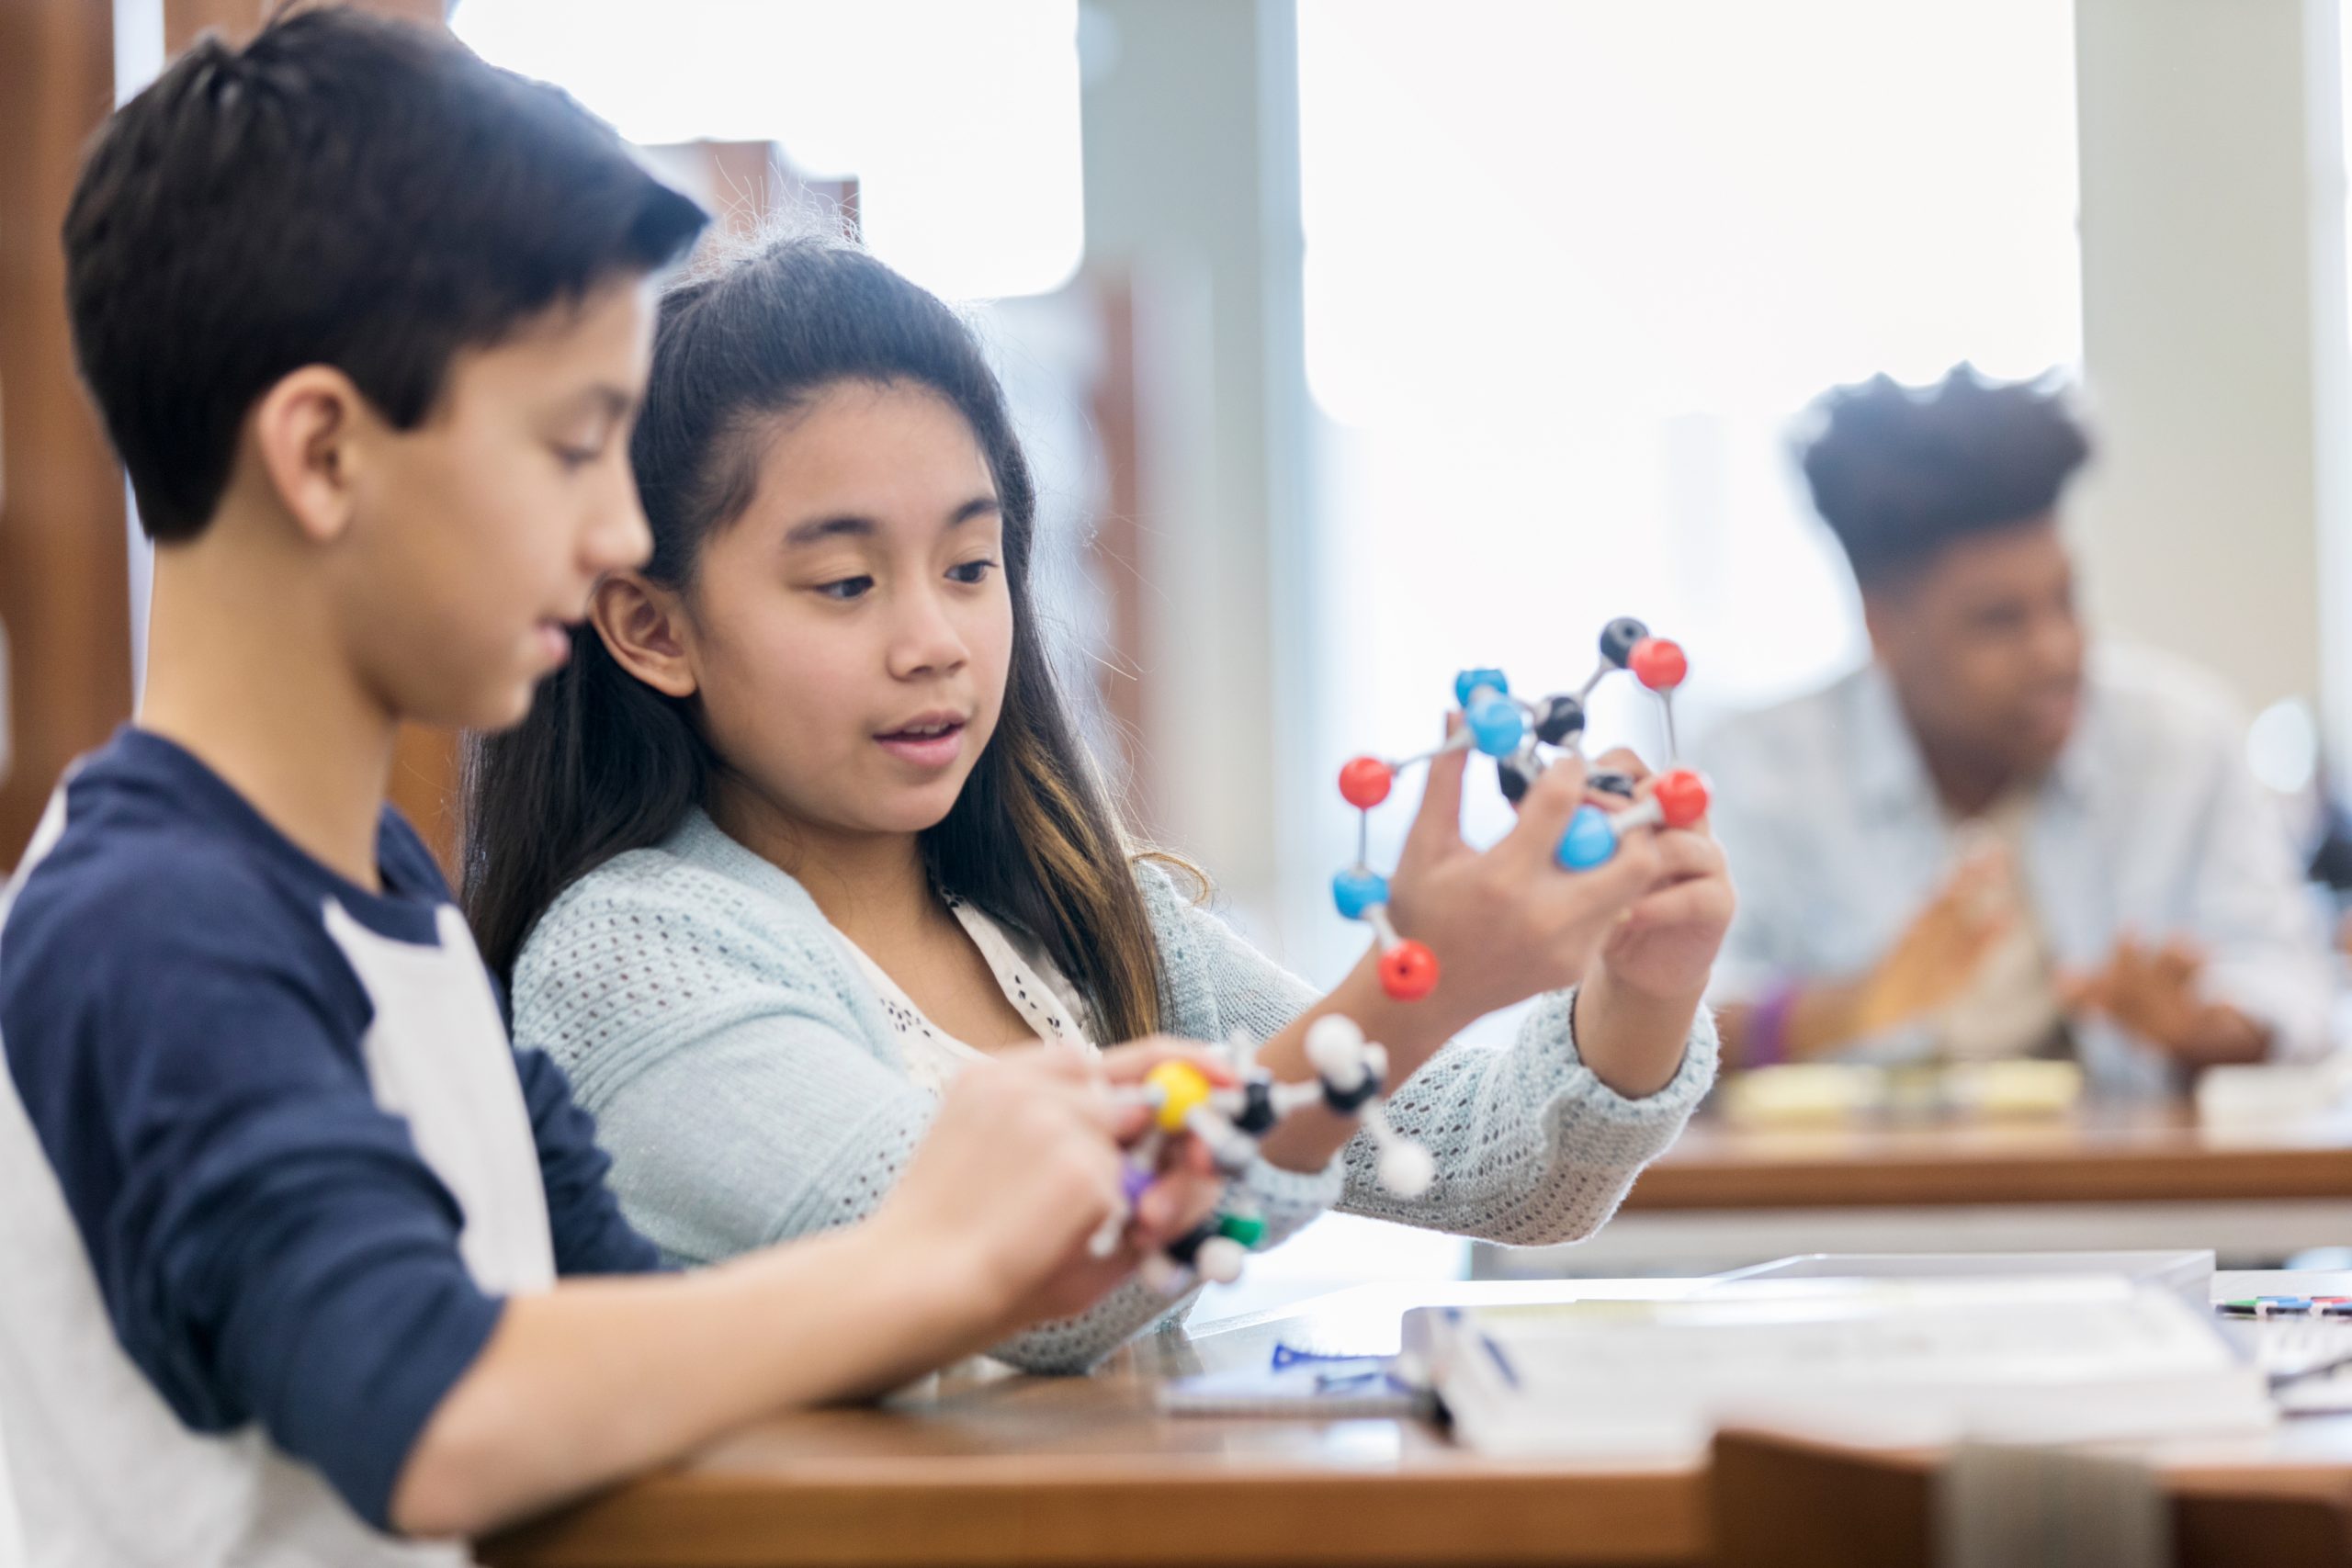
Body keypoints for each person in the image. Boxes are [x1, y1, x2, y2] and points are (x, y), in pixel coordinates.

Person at [0, 15, 1223, 1560]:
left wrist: (1003, 1254)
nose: (609, 537)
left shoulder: (383, 898)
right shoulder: (150, 921)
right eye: (573, 447)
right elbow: (434, 1411)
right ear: (320, 452)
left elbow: (638, 1331)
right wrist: (936, 1252)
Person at [465, 234, 1736, 1372]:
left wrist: (1647, 977)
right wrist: (1417, 982)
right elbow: (1019, 1282)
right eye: (846, 583)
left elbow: (1494, 1164)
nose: (935, 640)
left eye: (970, 565)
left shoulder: (1069, 903)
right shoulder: (627, 955)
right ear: (651, 623)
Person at [1701, 366, 2333, 1094]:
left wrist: (2199, 1030)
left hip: (2132, 1197)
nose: (2058, 650)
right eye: (1999, 621)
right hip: (1853, 1204)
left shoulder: (2181, 742)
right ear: (1884, 629)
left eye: (2065, 599)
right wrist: (1842, 1011)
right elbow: (1661, 1023)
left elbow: (2293, 985)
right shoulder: (1756, 767)